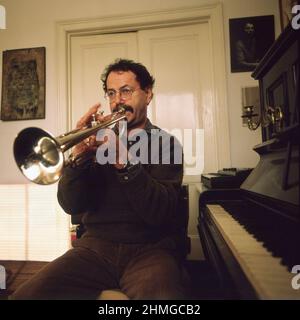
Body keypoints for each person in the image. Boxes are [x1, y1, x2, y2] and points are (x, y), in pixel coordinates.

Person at [11, 59, 190, 300]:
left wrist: (124, 162)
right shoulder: (96, 141)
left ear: (148, 95)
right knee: (27, 295)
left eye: (126, 91)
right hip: (94, 248)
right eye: (111, 93)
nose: (118, 100)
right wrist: (78, 158)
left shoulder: (166, 144)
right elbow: (71, 205)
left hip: (150, 250)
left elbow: (160, 212)